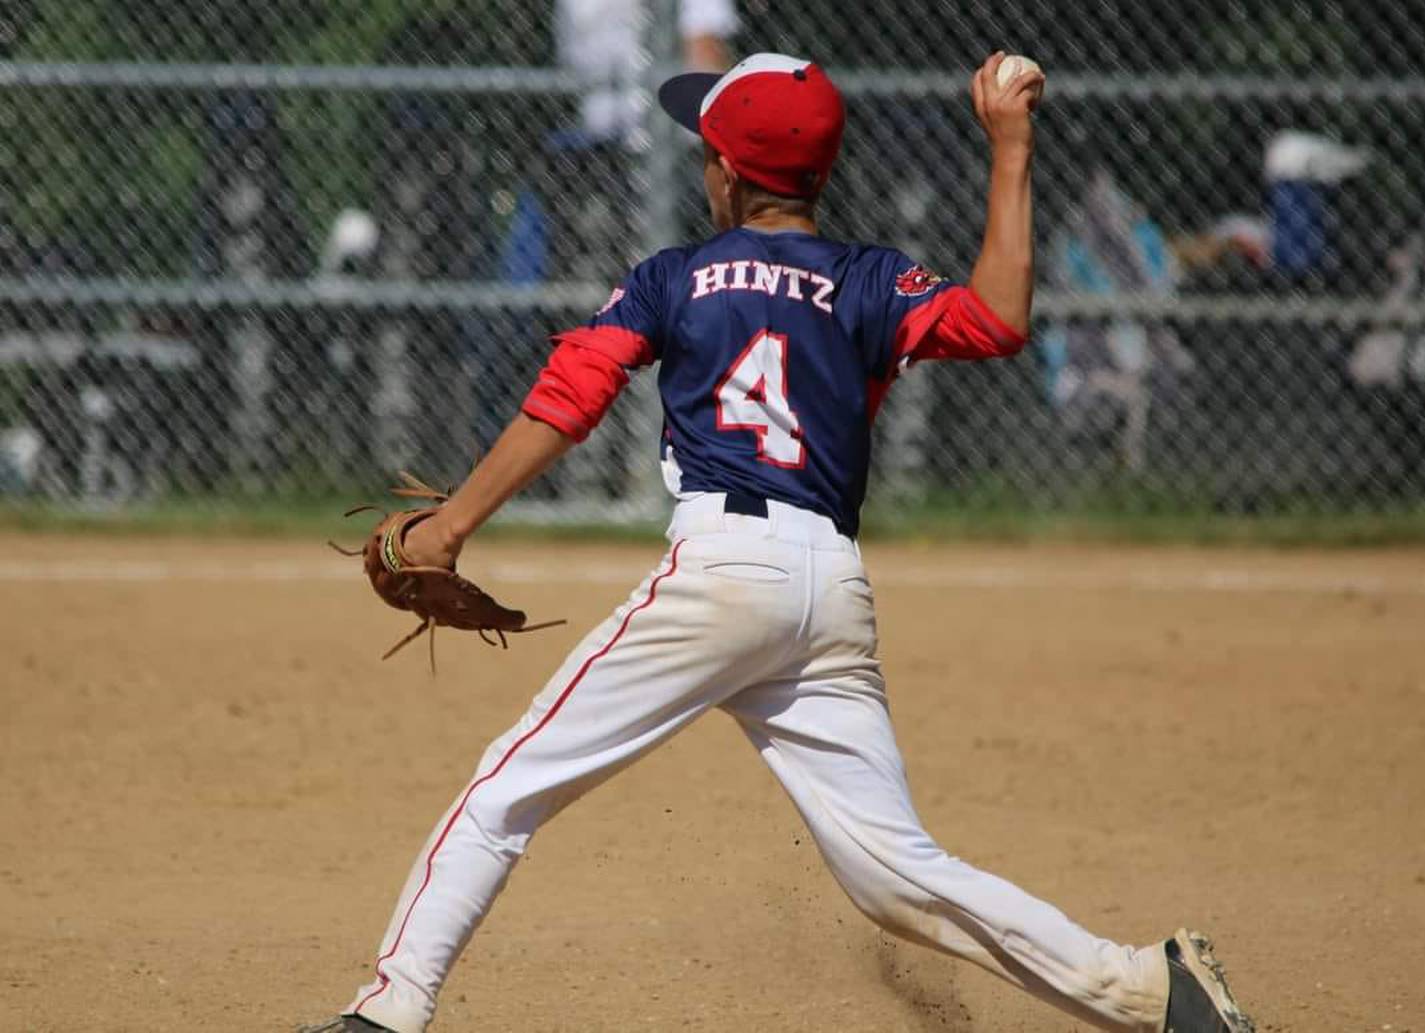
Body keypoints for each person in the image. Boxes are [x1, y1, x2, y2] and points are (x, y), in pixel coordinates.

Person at [302, 52, 1254, 1033]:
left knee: (506, 790)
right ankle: (1151, 988)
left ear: (728, 173)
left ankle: (385, 1012)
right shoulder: (869, 278)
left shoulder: (674, 277)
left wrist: (451, 524)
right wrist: (1009, 144)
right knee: (896, 880)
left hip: (720, 573)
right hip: (830, 591)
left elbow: (572, 393)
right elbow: (999, 318)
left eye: (705, 153)